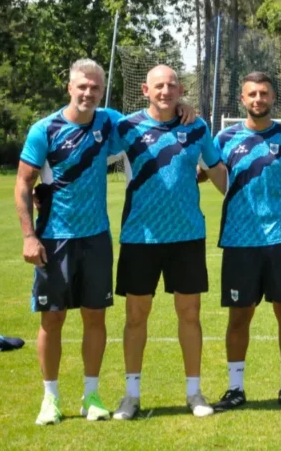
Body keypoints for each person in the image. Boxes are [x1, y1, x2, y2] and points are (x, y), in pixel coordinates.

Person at [110, 65, 228, 420]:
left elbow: (218, 170)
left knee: (190, 315)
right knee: (135, 317)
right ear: (145, 90)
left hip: (187, 237)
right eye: (159, 86)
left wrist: (243, 202)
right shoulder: (126, 127)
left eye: (172, 85)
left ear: (181, 90)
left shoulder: (196, 126)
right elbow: (88, 148)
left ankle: (194, 392)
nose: (165, 91)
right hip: (139, 236)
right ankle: (131, 396)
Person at [16, 59, 118, 425]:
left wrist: (182, 108)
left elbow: (151, 121)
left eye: (95, 88)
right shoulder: (44, 129)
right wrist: (29, 236)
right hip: (53, 239)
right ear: (70, 88)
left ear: (102, 91)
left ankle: (91, 395)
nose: (88, 93)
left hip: (96, 238)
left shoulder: (109, 122)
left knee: (95, 316)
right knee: (52, 319)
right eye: (82, 87)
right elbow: (24, 183)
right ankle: (50, 398)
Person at [208, 72, 281, 412]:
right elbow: (209, 173)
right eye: (252, 94)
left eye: (264, 93)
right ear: (242, 98)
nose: (258, 99)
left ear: (274, 97)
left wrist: (280, 189)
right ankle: (235, 389)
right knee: (239, 316)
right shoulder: (224, 138)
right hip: (239, 240)